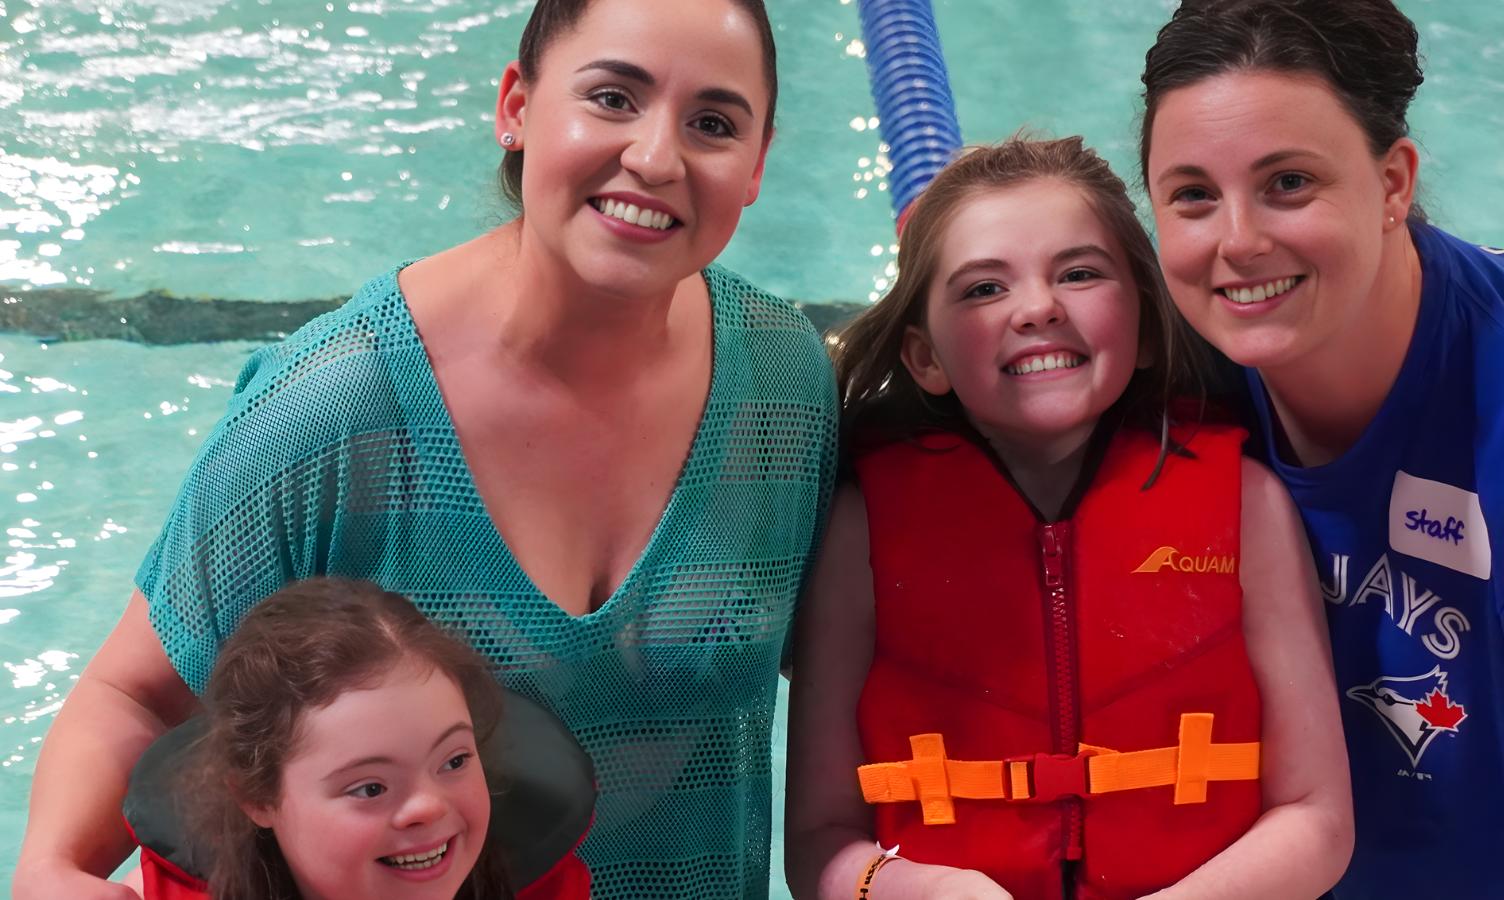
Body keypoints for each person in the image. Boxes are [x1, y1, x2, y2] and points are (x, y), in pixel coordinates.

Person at [13, 0, 837, 897]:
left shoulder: (783, 387)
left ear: (756, 166)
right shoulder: (335, 411)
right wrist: (52, 869)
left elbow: (850, 663)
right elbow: (137, 694)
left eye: (712, 123)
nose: (654, 157)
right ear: (516, 108)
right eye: (611, 98)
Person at [784, 136, 1351, 900]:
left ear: (1147, 326)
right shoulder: (863, 527)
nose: (1039, 307)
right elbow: (820, 842)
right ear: (924, 358)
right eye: (984, 289)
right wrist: (925, 890)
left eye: (1080, 274)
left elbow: (1316, 818)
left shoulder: (1246, 505)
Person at [1138, 1, 1504, 897]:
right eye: (1193, 194)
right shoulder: (1167, 380)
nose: (1237, 242)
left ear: (1394, 184)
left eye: (1289, 183)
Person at [121, 577, 592, 900]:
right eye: (370, 787)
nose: (428, 807)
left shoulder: (543, 886)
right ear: (257, 798)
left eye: (453, 762)